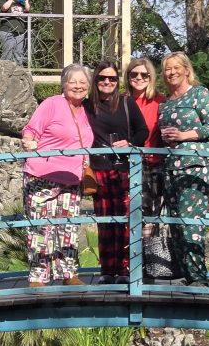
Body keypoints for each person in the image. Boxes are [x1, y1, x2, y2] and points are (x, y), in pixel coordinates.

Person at [21, 63, 94, 286]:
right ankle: (38, 276)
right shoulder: (52, 103)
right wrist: (28, 141)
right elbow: (31, 129)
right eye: (73, 82)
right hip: (43, 174)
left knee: (69, 228)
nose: (78, 86)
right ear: (64, 84)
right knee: (41, 226)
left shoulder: (88, 110)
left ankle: (68, 274)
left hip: (72, 179)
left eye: (83, 82)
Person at [158, 51, 209, 285]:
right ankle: (186, 274)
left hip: (193, 166)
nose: (171, 72)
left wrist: (184, 135)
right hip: (170, 167)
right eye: (167, 69)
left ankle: (199, 277)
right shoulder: (165, 103)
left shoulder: (198, 94)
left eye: (176, 68)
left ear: (186, 69)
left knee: (190, 221)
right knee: (175, 222)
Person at [85, 59, 147, 284]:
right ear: (96, 80)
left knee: (125, 221)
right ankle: (107, 270)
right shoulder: (87, 105)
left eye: (112, 78)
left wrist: (129, 143)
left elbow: (143, 131)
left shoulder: (126, 103)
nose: (107, 82)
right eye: (102, 78)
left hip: (123, 169)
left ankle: (124, 269)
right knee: (105, 222)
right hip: (100, 169)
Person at [124, 56, 165, 239]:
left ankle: (149, 262)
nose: (139, 78)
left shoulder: (160, 101)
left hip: (151, 164)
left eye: (144, 74)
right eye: (134, 74)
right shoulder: (121, 100)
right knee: (127, 213)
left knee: (149, 216)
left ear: (151, 77)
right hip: (125, 164)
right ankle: (128, 264)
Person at [0, 0, 31, 64]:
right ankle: (4, 70)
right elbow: (4, 8)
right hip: (6, 30)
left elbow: (27, 9)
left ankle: (17, 72)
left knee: (18, 53)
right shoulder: (4, 1)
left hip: (19, 31)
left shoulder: (20, 3)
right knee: (7, 51)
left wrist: (26, 0)